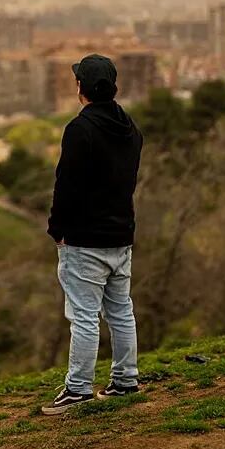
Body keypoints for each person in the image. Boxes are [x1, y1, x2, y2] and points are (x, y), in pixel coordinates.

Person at [41, 54, 144, 415]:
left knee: (84, 316)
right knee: (121, 311)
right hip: (121, 235)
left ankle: (79, 389)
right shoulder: (130, 128)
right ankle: (126, 380)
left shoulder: (79, 130)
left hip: (84, 240)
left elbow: (65, 187)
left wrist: (57, 230)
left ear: (81, 87)